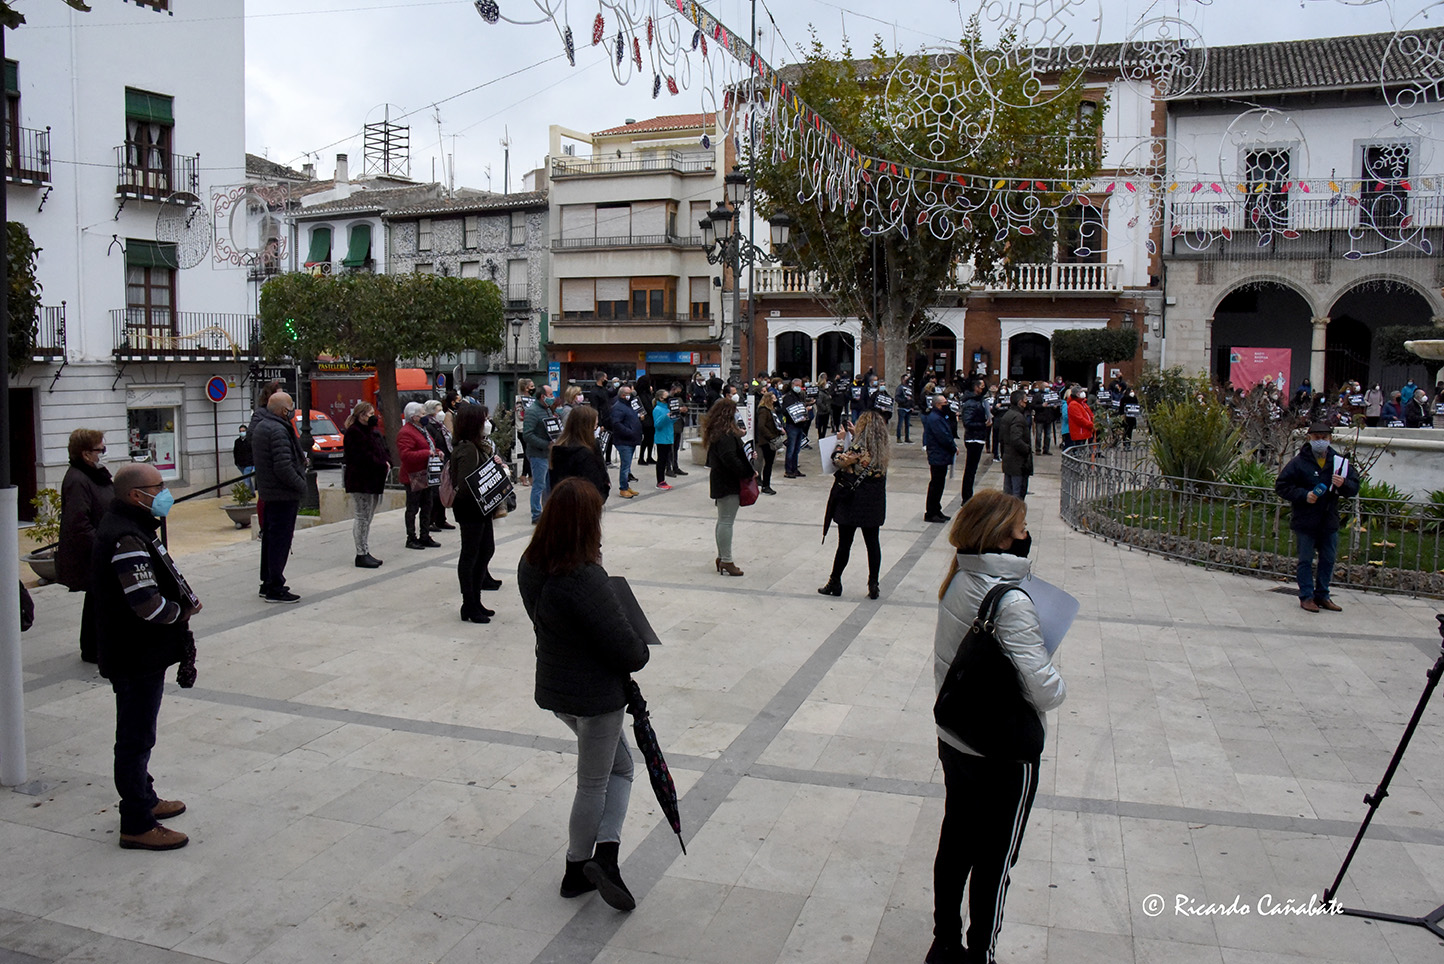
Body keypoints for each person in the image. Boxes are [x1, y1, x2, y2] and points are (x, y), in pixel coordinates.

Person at [929, 491, 1064, 964]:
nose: (1028, 536)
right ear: (1003, 538)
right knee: (995, 859)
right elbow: (1045, 690)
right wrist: (1055, 672)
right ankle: (980, 953)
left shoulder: (958, 579)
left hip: (956, 737)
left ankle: (945, 943)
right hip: (1002, 751)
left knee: (956, 843)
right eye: (1022, 528)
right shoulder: (1011, 602)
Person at [518, 478, 650, 910]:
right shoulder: (584, 578)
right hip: (596, 698)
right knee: (600, 781)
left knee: (620, 766)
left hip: (557, 688)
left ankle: (604, 856)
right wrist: (640, 641)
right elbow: (630, 652)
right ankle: (579, 868)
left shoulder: (530, 564)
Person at [93, 462, 202, 851]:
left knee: (141, 734)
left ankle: (146, 796)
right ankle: (136, 822)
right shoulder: (125, 537)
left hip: (140, 652)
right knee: (135, 738)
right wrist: (181, 612)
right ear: (134, 495)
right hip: (134, 654)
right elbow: (146, 603)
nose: (164, 493)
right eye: (157, 487)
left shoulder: (133, 527)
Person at [1274, 421, 1361, 613]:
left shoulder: (1339, 463)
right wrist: (1304, 495)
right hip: (1306, 519)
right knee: (1305, 560)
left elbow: (1354, 487)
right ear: (1309, 438)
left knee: (1328, 559)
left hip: (1328, 519)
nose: (1320, 441)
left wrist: (1343, 483)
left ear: (1330, 439)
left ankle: (1323, 594)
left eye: (1324, 438)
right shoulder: (1298, 462)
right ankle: (1306, 596)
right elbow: (1282, 486)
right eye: (1316, 438)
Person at [818, 412, 889, 600]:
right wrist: (855, 434)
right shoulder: (882, 449)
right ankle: (873, 583)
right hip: (874, 502)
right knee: (873, 543)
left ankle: (835, 581)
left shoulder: (858, 449)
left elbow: (838, 460)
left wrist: (840, 441)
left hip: (854, 501)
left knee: (844, 544)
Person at [58, 428, 113, 663]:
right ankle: (93, 649)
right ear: (86, 454)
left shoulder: (95, 475)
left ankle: (97, 647)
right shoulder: (78, 479)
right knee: (98, 598)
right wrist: (103, 546)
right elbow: (78, 522)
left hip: (101, 545)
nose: (104, 454)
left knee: (97, 598)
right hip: (93, 552)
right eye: (100, 449)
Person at [252, 392, 306, 603]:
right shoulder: (277, 430)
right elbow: (283, 466)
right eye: (291, 406)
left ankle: (267, 582)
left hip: (270, 493)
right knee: (280, 541)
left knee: (270, 539)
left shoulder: (263, 426)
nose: (293, 410)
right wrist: (301, 485)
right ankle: (275, 586)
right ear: (284, 410)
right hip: (282, 494)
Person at [448, 403, 498, 625]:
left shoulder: (477, 446)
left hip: (480, 509)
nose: (487, 423)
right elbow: (465, 483)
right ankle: (469, 603)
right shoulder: (467, 449)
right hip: (471, 509)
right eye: (484, 419)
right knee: (471, 554)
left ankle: (475, 601)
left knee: (485, 550)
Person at [703, 398, 755, 576]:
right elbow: (731, 460)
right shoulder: (725, 436)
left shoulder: (719, 432)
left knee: (723, 520)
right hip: (727, 482)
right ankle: (726, 559)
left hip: (722, 480)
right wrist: (748, 472)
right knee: (726, 521)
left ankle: (722, 557)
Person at [342, 401, 389, 569]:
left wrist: (386, 462)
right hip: (361, 481)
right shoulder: (354, 433)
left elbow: (381, 450)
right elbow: (362, 456)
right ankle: (361, 553)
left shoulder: (371, 432)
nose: (373, 417)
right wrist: (381, 464)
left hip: (372, 480)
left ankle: (365, 550)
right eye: (369, 414)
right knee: (362, 516)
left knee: (367, 517)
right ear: (361, 415)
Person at [398, 401, 441, 550]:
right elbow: (405, 455)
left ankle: (425, 535)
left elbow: (429, 446)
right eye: (422, 414)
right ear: (414, 417)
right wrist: (426, 453)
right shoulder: (406, 432)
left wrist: (437, 452)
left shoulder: (422, 429)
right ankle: (411, 537)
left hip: (426, 473)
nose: (425, 416)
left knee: (427, 506)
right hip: (414, 475)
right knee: (413, 508)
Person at [549, 404, 611, 503]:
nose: (595, 429)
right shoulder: (585, 454)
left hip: (562, 501)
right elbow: (595, 481)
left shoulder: (558, 448)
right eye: (594, 426)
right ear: (586, 427)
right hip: (585, 503)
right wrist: (604, 489)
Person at [523, 384, 560, 521]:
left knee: (548, 485)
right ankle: (536, 514)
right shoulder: (532, 412)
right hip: (537, 454)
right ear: (543, 396)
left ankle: (547, 510)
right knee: (539, 485)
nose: (553, 397)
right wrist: (546, 444)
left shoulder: (547, 410)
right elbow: (527, 435)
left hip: (548, 454)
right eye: (550, 395)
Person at [422, 399, 456, 531]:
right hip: (434, 462)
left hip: (445, 460)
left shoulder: (440, 426)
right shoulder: (429, 427)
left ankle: (441, 519)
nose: (442, 413)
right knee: (434, 493)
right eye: (439, 410)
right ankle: (431, 520)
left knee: (443, 490)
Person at [923, 394, 957, 524]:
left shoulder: (941, 416)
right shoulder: (935, 418)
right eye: (944, 403)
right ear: (938, 405)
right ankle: (931, 512)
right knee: (936, 484)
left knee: (939, 484)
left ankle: (937, 509)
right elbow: (943, 436)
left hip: (941, 455)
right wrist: (952, 447)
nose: (947, 405)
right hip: (937, 454)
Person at [997, 390, 1034, 501]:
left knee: (1008, 492)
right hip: (1018, 461)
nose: (1026, 402)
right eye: (1025, 400)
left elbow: (1001, 437)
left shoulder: (1007, 414)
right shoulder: (1018, 417)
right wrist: (1027, 449)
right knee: (1017, 493)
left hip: (1008, 458)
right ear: (1020, 402)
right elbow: (1016, 439)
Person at [959, 378, 989, 503]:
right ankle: (966, 496)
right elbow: (967, 422)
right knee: (970, 469)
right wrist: (983, 425)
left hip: (979, 437)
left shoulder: (980, 401)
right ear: (976, 388)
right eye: (981, 386)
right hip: (973, 439)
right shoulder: (971, 403)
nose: (984, 388)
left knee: (973, 469)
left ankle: (968, 494)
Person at [611, 386, 643, 499]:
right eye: (629, 393)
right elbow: (616, 424)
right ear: (623, 395)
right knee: (625, 466)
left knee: (628, 466)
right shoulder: (618, 407)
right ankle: (623, 488)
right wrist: (630, 432)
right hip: (624, 441)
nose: (632, 395)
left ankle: (626, 486)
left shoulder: (629, 405)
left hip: (631, 440)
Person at [780, 378, 813, 479]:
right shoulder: (788, 397)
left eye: (800, 385)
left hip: (799, 425)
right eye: (798, 385)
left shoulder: (799, 396)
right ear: (793, 385)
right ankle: (788, 470)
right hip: (792, 425)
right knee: (791, 448)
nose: (799, 387)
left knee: (797, 449)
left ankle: (794, 469)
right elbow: (785, 410)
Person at [755, 392, 782, 495]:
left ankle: (766, 484)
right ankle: (766, 486)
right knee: (768, 463)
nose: (775, 401)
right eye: (773, 399)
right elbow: (761, 426)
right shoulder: (764, 411)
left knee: (769, 463)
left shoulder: (771, 410)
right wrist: (771, 436)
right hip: (767, 441)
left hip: (770, 438)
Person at [651, 390, 677, 490]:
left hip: (668, 436)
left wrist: (676, 415)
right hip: (661, 438)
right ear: (661, 398)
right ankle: (660, 481)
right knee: (661, 460)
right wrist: (667, 417)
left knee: (666, 459)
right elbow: (657, 424)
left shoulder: (667, 408)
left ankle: (662, 480)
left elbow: (671, 421)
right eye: (666, 396)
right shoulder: (657, 409)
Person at [232, 423, 254, 493]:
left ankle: (245, 495)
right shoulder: (237, 441)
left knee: (246, 480)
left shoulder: (250, 441)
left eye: (243, 431)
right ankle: (252, 492)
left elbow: (253, 451)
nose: (242, 432)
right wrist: (236, 462)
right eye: (240, 431)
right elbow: (235, 452)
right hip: (240, 464)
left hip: (249, 464)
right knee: (247, 478)